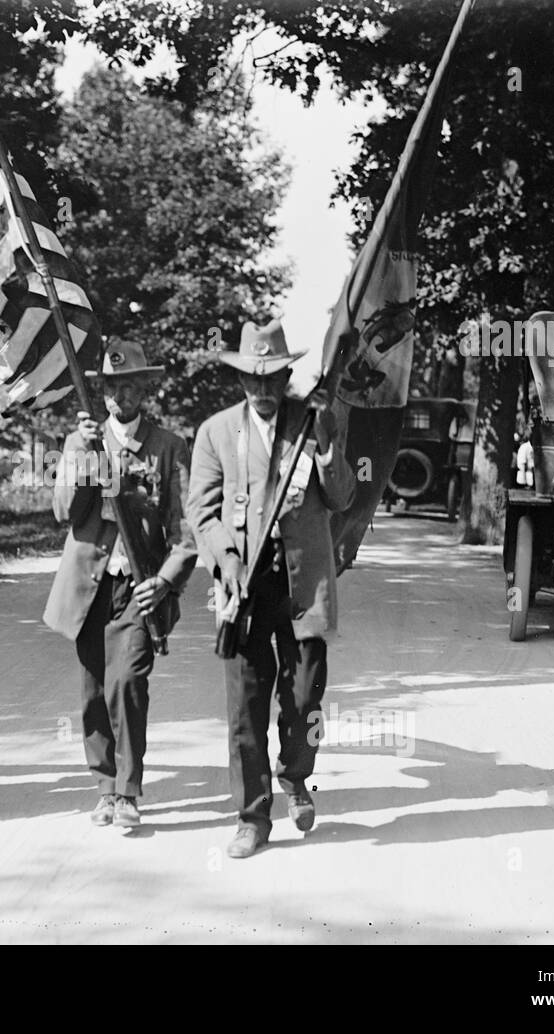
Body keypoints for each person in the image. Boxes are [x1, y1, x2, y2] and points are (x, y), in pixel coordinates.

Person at [186, 319, 355, 859]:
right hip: (244, 588)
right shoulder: (215, 432)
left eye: (272, 378)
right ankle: (252, 817)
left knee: (305, 695)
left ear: (286, 376)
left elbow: (342, 497)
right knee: (246, 702)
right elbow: (200, 511)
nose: (262, 390)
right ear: (240, 380)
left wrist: (327, 444)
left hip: (304, 583)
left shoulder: (313, 421)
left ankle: (296, 776)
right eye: (252, 380)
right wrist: (225, 557)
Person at [43, 340, 198, 833]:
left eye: (131, 385)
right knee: (92, 689)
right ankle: (104, 787)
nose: (121, 396)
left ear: (143, 389)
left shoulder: (168, 446)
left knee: (127, 681)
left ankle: (129, 791)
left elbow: (186, 529)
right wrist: (86, 456)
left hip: (139, 585)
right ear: (102, 391)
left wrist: (167, 581)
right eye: (112, 387)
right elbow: (64, 511)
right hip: (89, 585)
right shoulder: (78, 443)